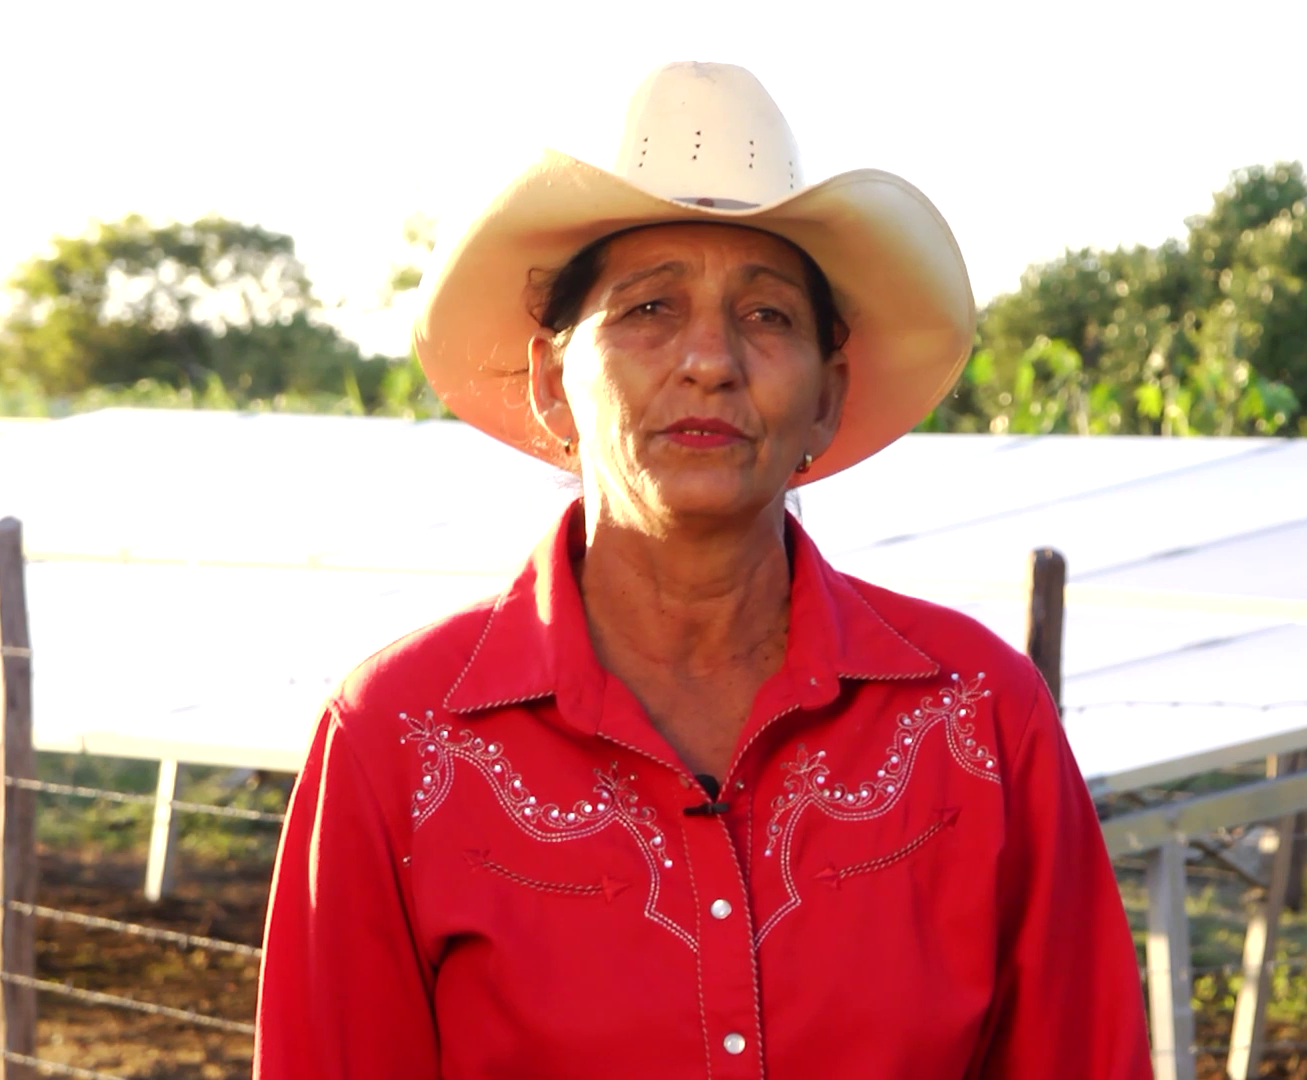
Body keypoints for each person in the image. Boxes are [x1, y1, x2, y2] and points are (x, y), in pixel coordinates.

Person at [252, 61, 1151, 1080]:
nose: (711, 359)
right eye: (648, 310)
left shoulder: (982, 717)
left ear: (827, 396)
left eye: (767, 316)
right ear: (553, 381)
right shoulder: (396, 739)